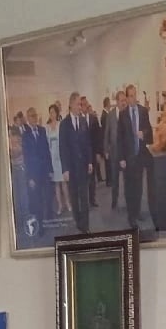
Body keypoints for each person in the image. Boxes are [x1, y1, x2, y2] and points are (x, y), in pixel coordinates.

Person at [117, 83, 154, 228]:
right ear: (127, 97)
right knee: (129, 188)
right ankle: (131, 216)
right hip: (128, 158)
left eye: (134, 95)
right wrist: (121, 158)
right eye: (130, 96)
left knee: (139, 187)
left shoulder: (143, 111)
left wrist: (143, 133)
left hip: (140, 156)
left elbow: (150, 132)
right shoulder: (123, 115)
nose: (133, 98)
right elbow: (119, 138)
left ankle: (137, 211)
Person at [60, 93, 94, 233]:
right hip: (71, 168)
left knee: (84, 197)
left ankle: (86, 225)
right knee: (74, 197)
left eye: (81, 104)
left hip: (83, 165)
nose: (80, 107)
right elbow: (62, 147)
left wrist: (90, 162)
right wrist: (65, 169)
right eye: (78, 104)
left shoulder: (83, 121)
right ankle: (78, 220)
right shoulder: (64, 124)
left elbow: (88, 143)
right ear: (71, 104)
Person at [44, 102, 69, 220]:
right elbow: (46, 144)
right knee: (56, 183)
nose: (51, 114)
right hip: (52, 158)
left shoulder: (61, 125)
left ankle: (68, 203)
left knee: (63, 182)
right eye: (50, 112)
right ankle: (60, 205)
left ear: (56, 113)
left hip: (61, 156)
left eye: (53, 112)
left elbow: (64, 141)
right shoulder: (47, 128)